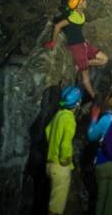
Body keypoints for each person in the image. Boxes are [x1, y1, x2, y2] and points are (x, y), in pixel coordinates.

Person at [43, 0, 108, 100]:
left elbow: (76, 29)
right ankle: (93, 96)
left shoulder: (80, 14)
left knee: (105, 59)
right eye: (83, 1)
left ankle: (81, 64)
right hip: (77, 48)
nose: (86, 2)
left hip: (83, 44)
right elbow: (57, 26)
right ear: (78, 5)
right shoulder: (72, 17)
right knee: (85, 78)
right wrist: (53, 42)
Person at [45, 85, 83, 215]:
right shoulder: (69, 119)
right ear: (77, 103)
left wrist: (52, 148)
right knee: (56, 209)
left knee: (52, 202)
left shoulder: (59, 114)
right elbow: (66, 144)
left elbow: (47, 131)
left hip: (50, 164)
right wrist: (65, 159)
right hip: (60, 167)